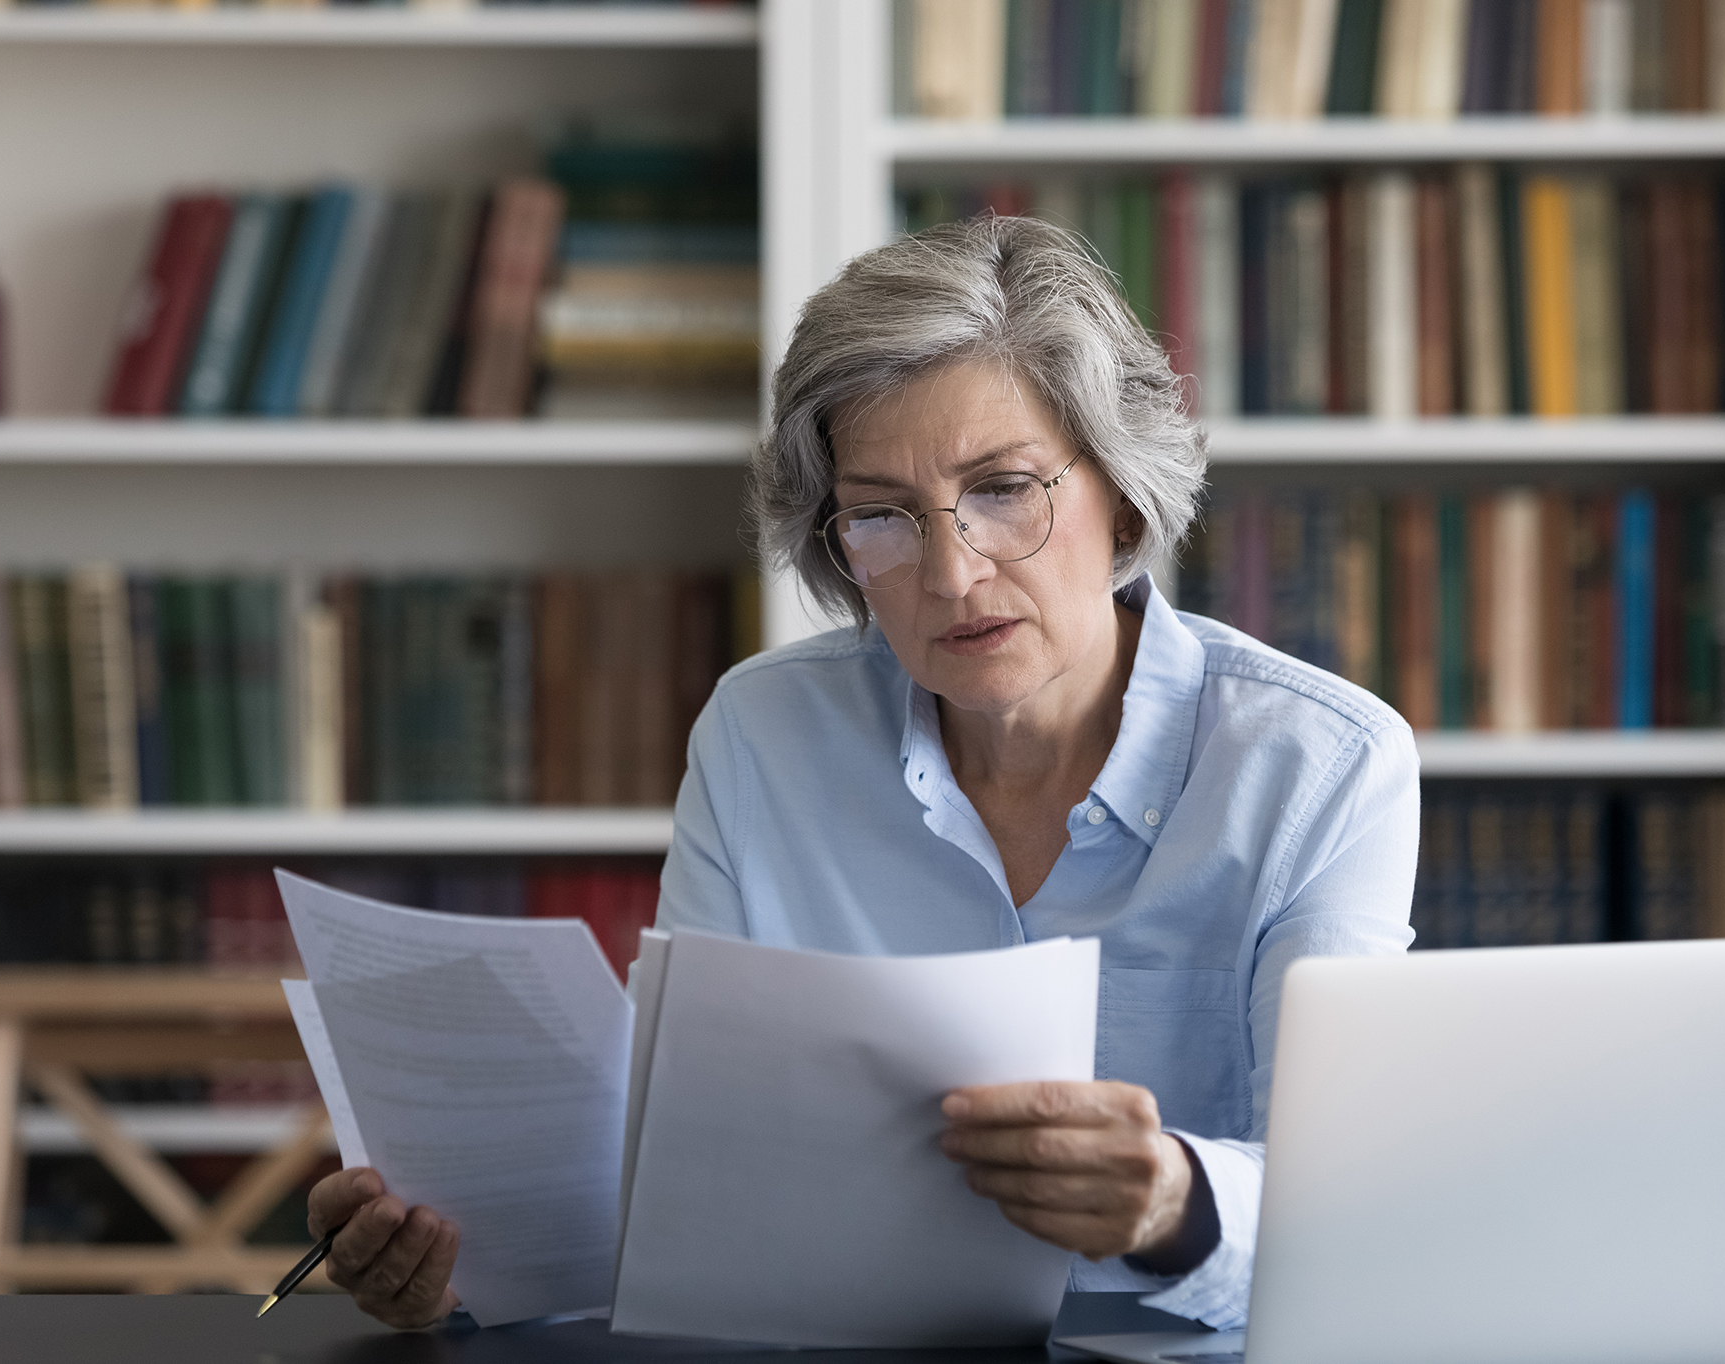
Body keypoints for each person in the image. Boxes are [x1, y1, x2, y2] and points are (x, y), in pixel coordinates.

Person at [306, 214, 1420, 1332]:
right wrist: (469, 1266)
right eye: (880, 515)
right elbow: (679, 1179)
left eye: (1003, 489)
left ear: (1122, 496)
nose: (951, 571)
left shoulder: (1316, 764)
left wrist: (1176, 1200)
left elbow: (1359, 1214)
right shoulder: (762, 734)